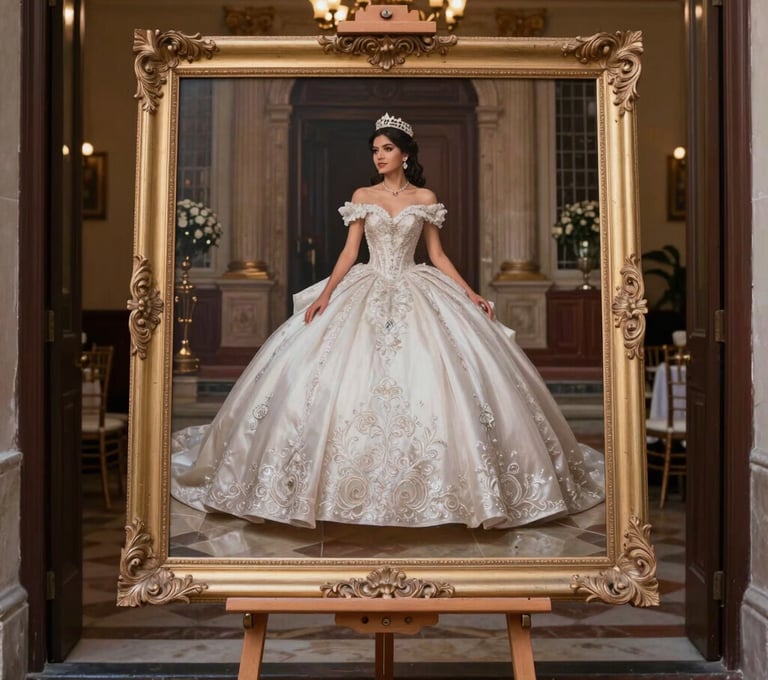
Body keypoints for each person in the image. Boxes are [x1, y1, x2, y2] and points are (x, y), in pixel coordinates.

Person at [171, 113, 604, 529]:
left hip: (416, 285)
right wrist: (326, 295)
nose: (379, 156)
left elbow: (436, 254)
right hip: (368, 283)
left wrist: (470, 293)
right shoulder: (363, 196)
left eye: (387, 149)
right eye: (375, 150)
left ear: (405, 154)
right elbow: (350, 252)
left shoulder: (425, 199)